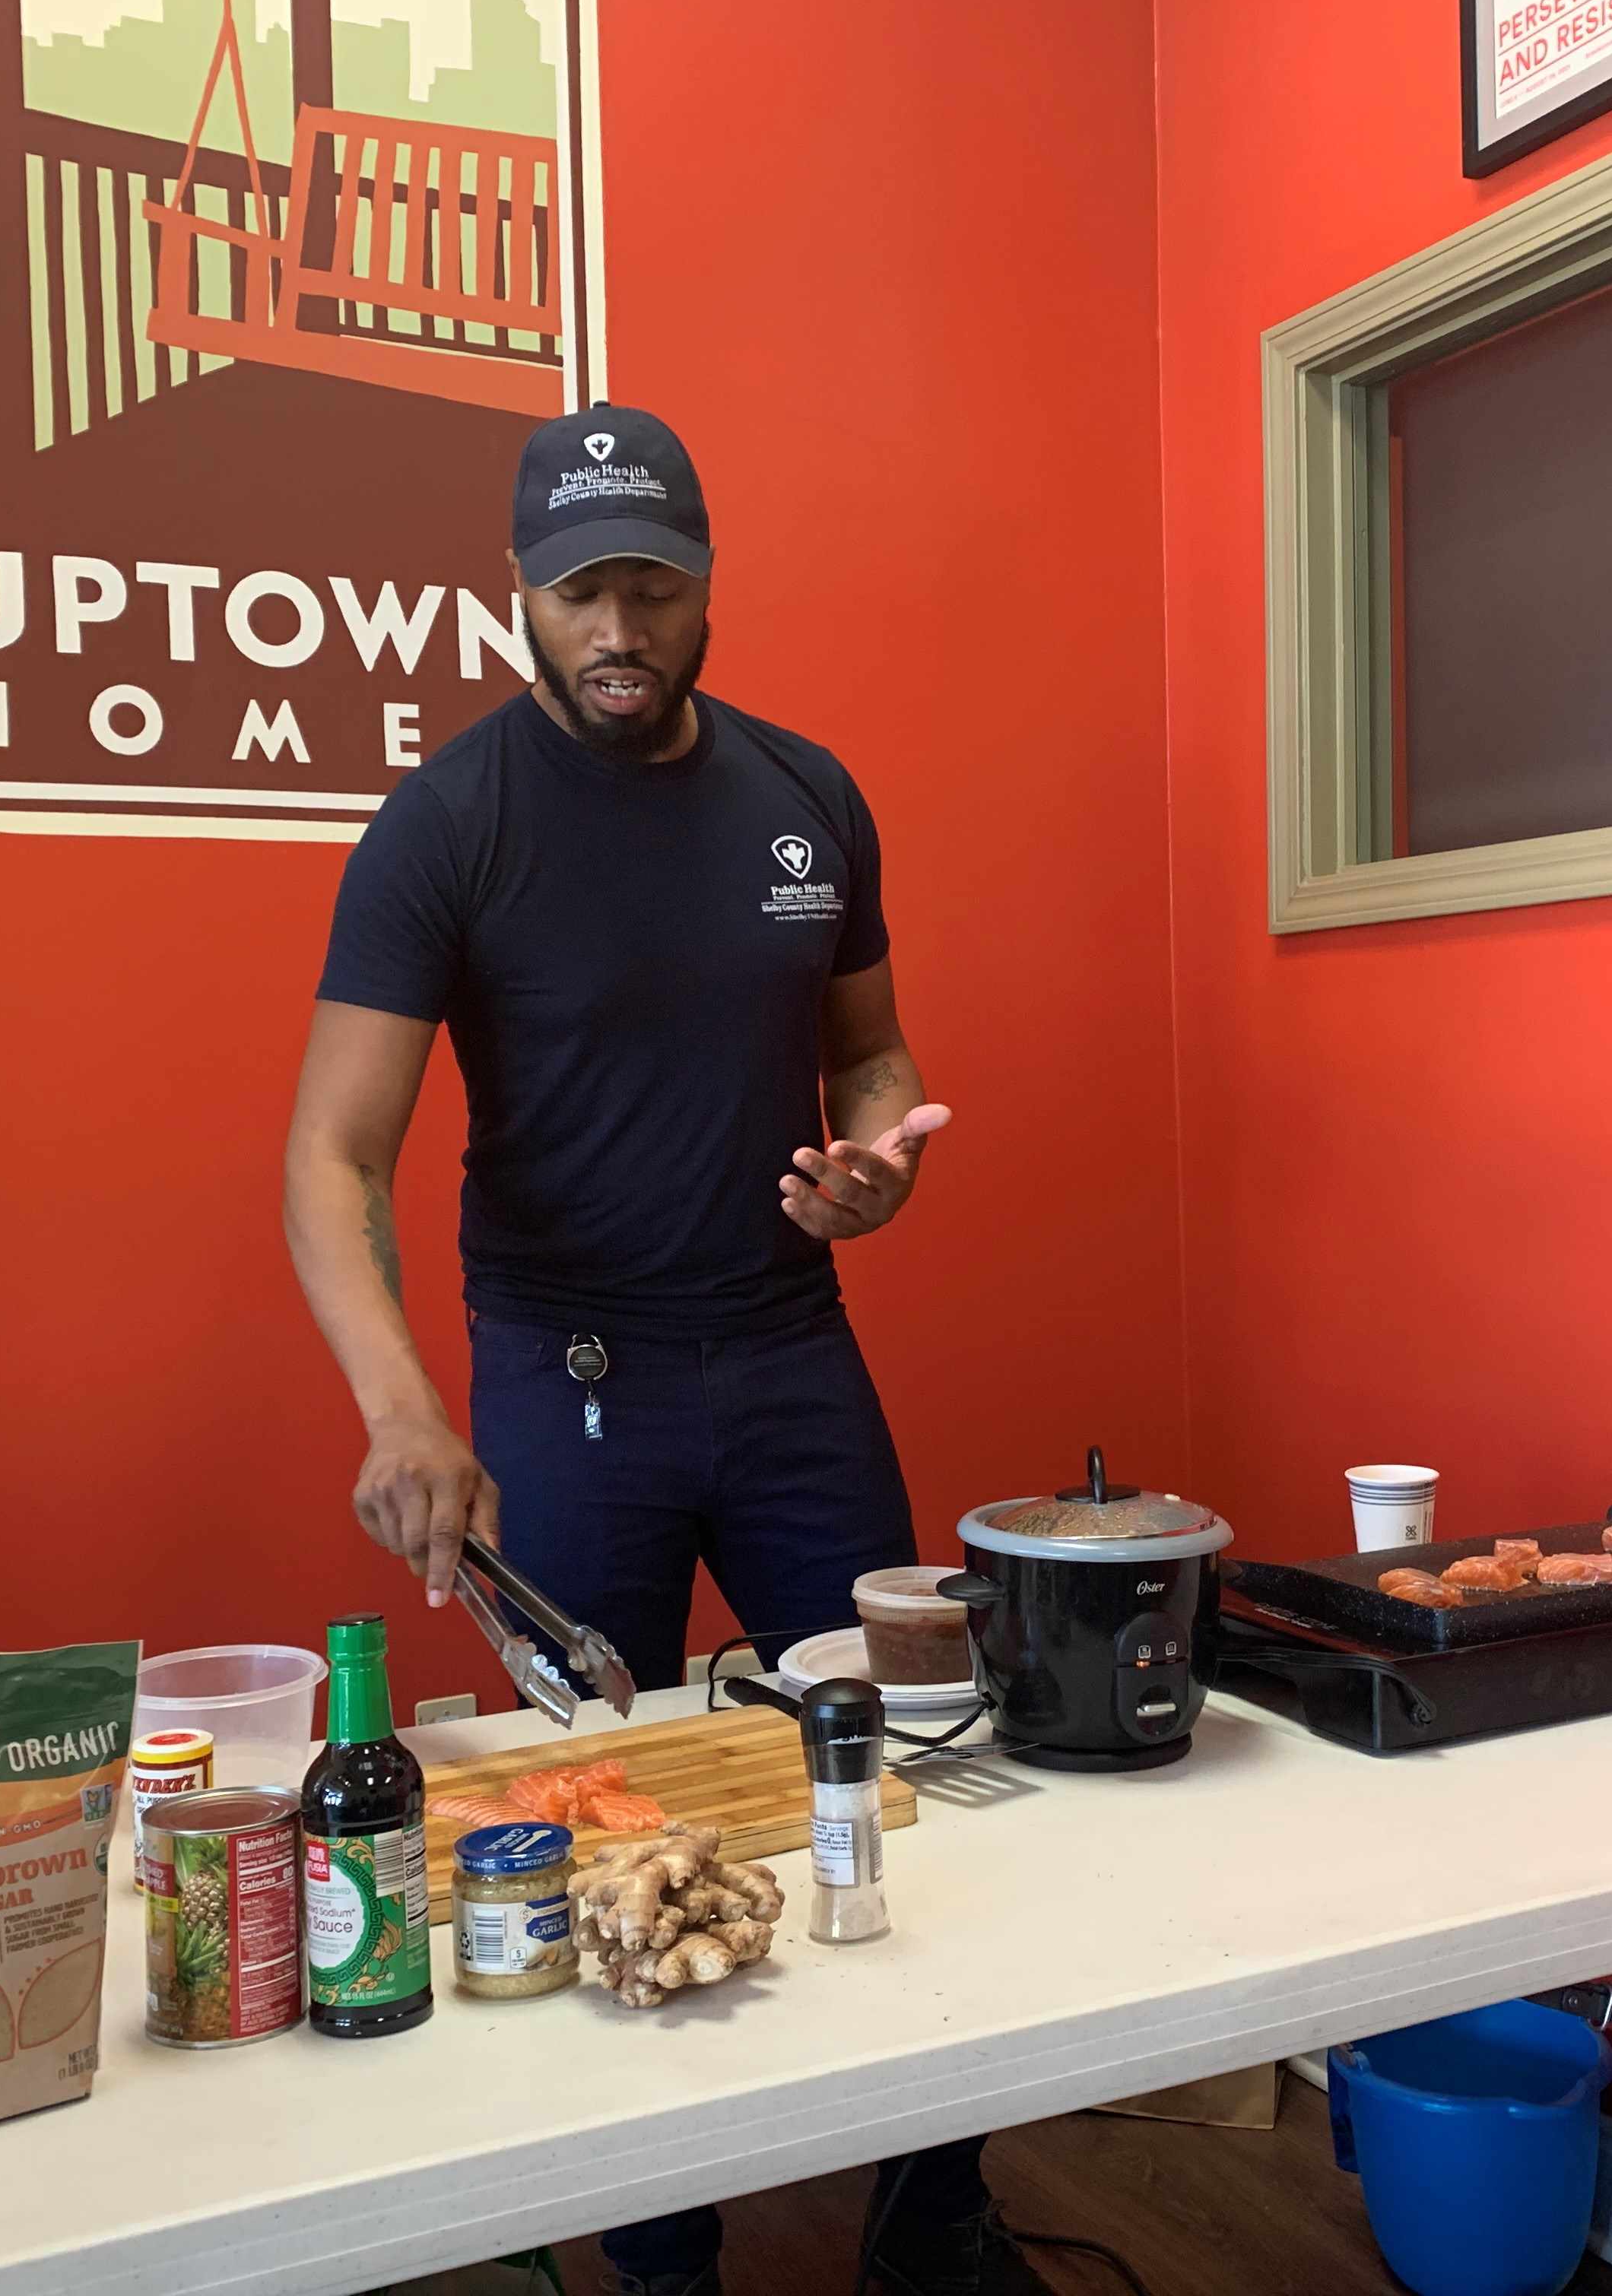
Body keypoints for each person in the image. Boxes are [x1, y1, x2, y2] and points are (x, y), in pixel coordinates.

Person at [282, 405, 1046, 2296]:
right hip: (571, 1376)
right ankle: (656, 2250)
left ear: (709, 586)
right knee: (583, 1815)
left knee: (890, 1759)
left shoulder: (807, 800)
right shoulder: (448, 824)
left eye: (653, 586)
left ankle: (930, 2210)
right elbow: (333, 1150)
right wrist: (404, 1405)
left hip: (792, 1358)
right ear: (519, 599)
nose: (617, 625)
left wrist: (879, 1164)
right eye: (580, 592)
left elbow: (874, 1058)